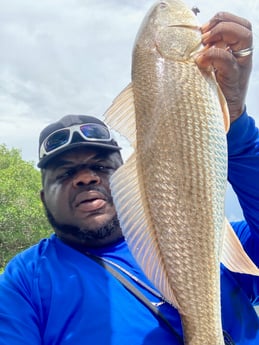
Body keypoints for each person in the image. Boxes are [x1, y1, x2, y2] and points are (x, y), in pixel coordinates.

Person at [0, 11, 258, 345]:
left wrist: (235, 124)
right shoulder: (26, 280)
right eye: (65, 173)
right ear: (42, 197)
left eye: (102, 167)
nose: (85, 178)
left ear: (136, 175)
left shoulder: (212, 238)